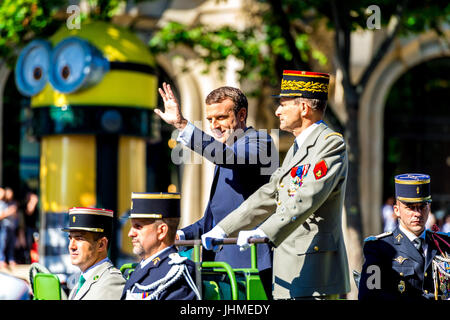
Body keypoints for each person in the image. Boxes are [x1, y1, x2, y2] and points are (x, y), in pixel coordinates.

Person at [202, 70, 350, 300]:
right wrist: (224, 228)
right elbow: (270, 193)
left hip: (314, 273)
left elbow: (306, 198)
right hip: (289, 270)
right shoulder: (297, 148)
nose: (277, 111)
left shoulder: (329, 145)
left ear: (303, 108)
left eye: (283, 104)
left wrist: (263, 231)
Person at [156, 83, 277, 297]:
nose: (214, 125)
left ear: (241, 114)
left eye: (221, 117)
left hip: (250, 268)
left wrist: (182, 125)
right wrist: (182, 234)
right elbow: (212, 221)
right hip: (218, 269)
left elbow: (228, 157)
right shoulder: (225, 153)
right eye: (210, 119)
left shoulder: (260, 140)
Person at [358, 173, 450, 300]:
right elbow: (370, 296)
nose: (417, 214)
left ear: (429, 208)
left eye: (422, 207)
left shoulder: (445, 243)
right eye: (410, 208)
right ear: (396, 210)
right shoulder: (379, 248)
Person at [121, 192, 200, 300]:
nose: (130, 233)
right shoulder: (141, 267)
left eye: (138, 226)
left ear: (161, 231)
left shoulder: (177, 272)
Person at [61, 207, 125, 300]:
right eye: (70, 238)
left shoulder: (112, 282)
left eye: (79, 239)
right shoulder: (81, 280)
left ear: (101, 245)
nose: (71, 246)